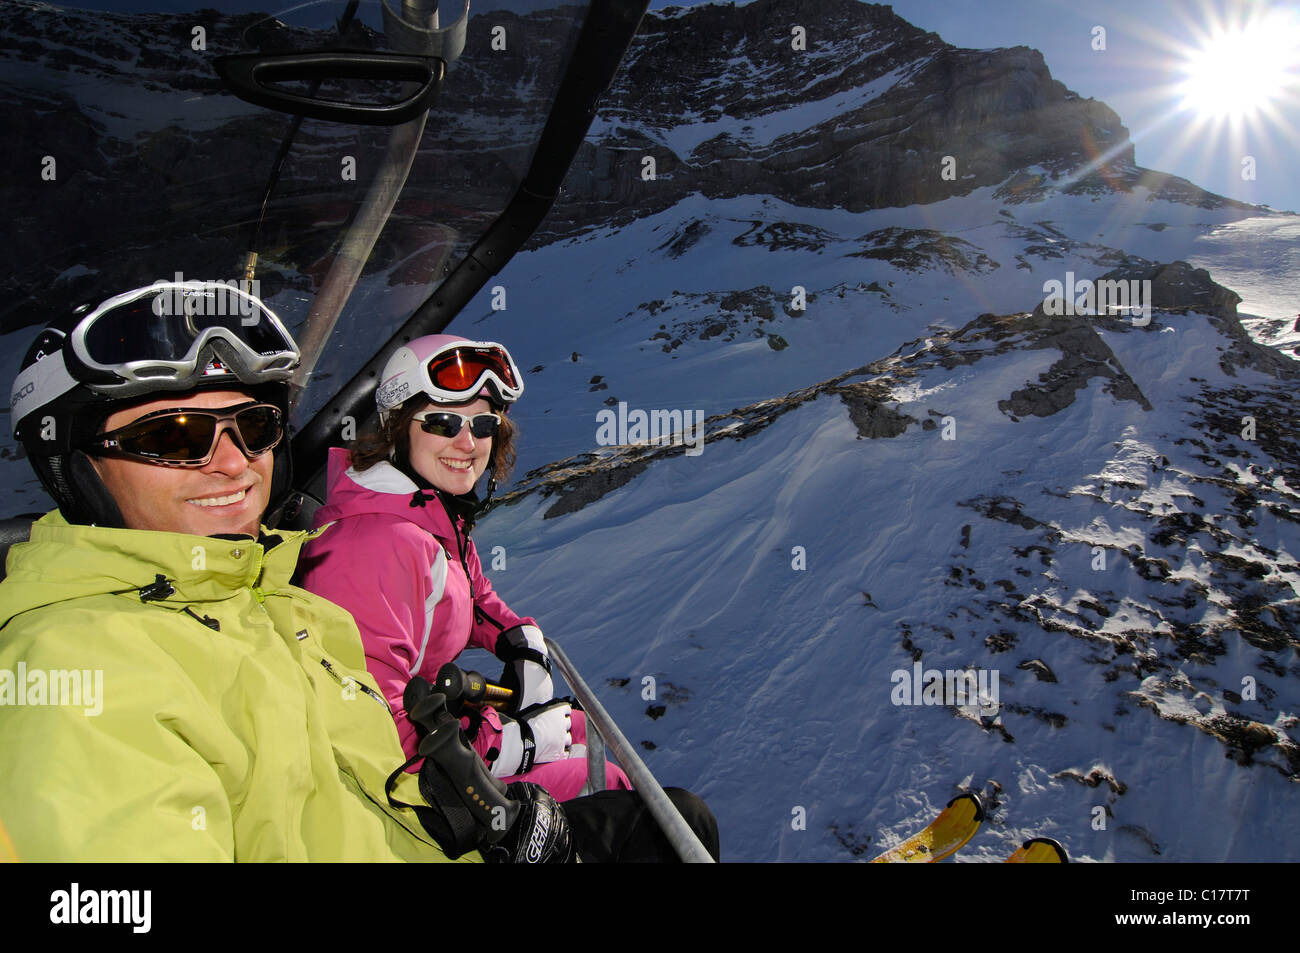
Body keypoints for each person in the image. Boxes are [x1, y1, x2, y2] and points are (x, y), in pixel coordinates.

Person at [0, 281, 716, 863]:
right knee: (669, 824)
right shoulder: (80, 671)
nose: (228, 462)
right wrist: (514, 750)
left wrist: (517, 639)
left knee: (671, 821)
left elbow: (368, 771)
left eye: (251, 427)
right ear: (78, 469)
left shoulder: (268, 595)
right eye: (171, 436)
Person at [299, 334, 631, 801]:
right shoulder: (376, 543)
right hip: (402, 787)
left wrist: (520, 640)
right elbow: (369, 724)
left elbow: (471, 595)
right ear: (398, 427)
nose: (467, 442)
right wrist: (508, 745)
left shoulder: (433, 513)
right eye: (442, 422)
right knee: (618, 794)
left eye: (483, 425)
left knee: (579, 732)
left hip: (435, 730)